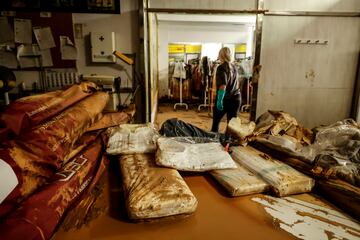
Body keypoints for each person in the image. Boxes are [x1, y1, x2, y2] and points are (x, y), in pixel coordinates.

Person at [211, 47, 241, 132]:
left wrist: (220, 100)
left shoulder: (221, 67)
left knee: (216, 123)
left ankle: (213, 141)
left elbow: (223, 85)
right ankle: (228, 143)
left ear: (220, 55)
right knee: (231, 127)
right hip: (236, 98)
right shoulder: (234, 67)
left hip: (225, 98)